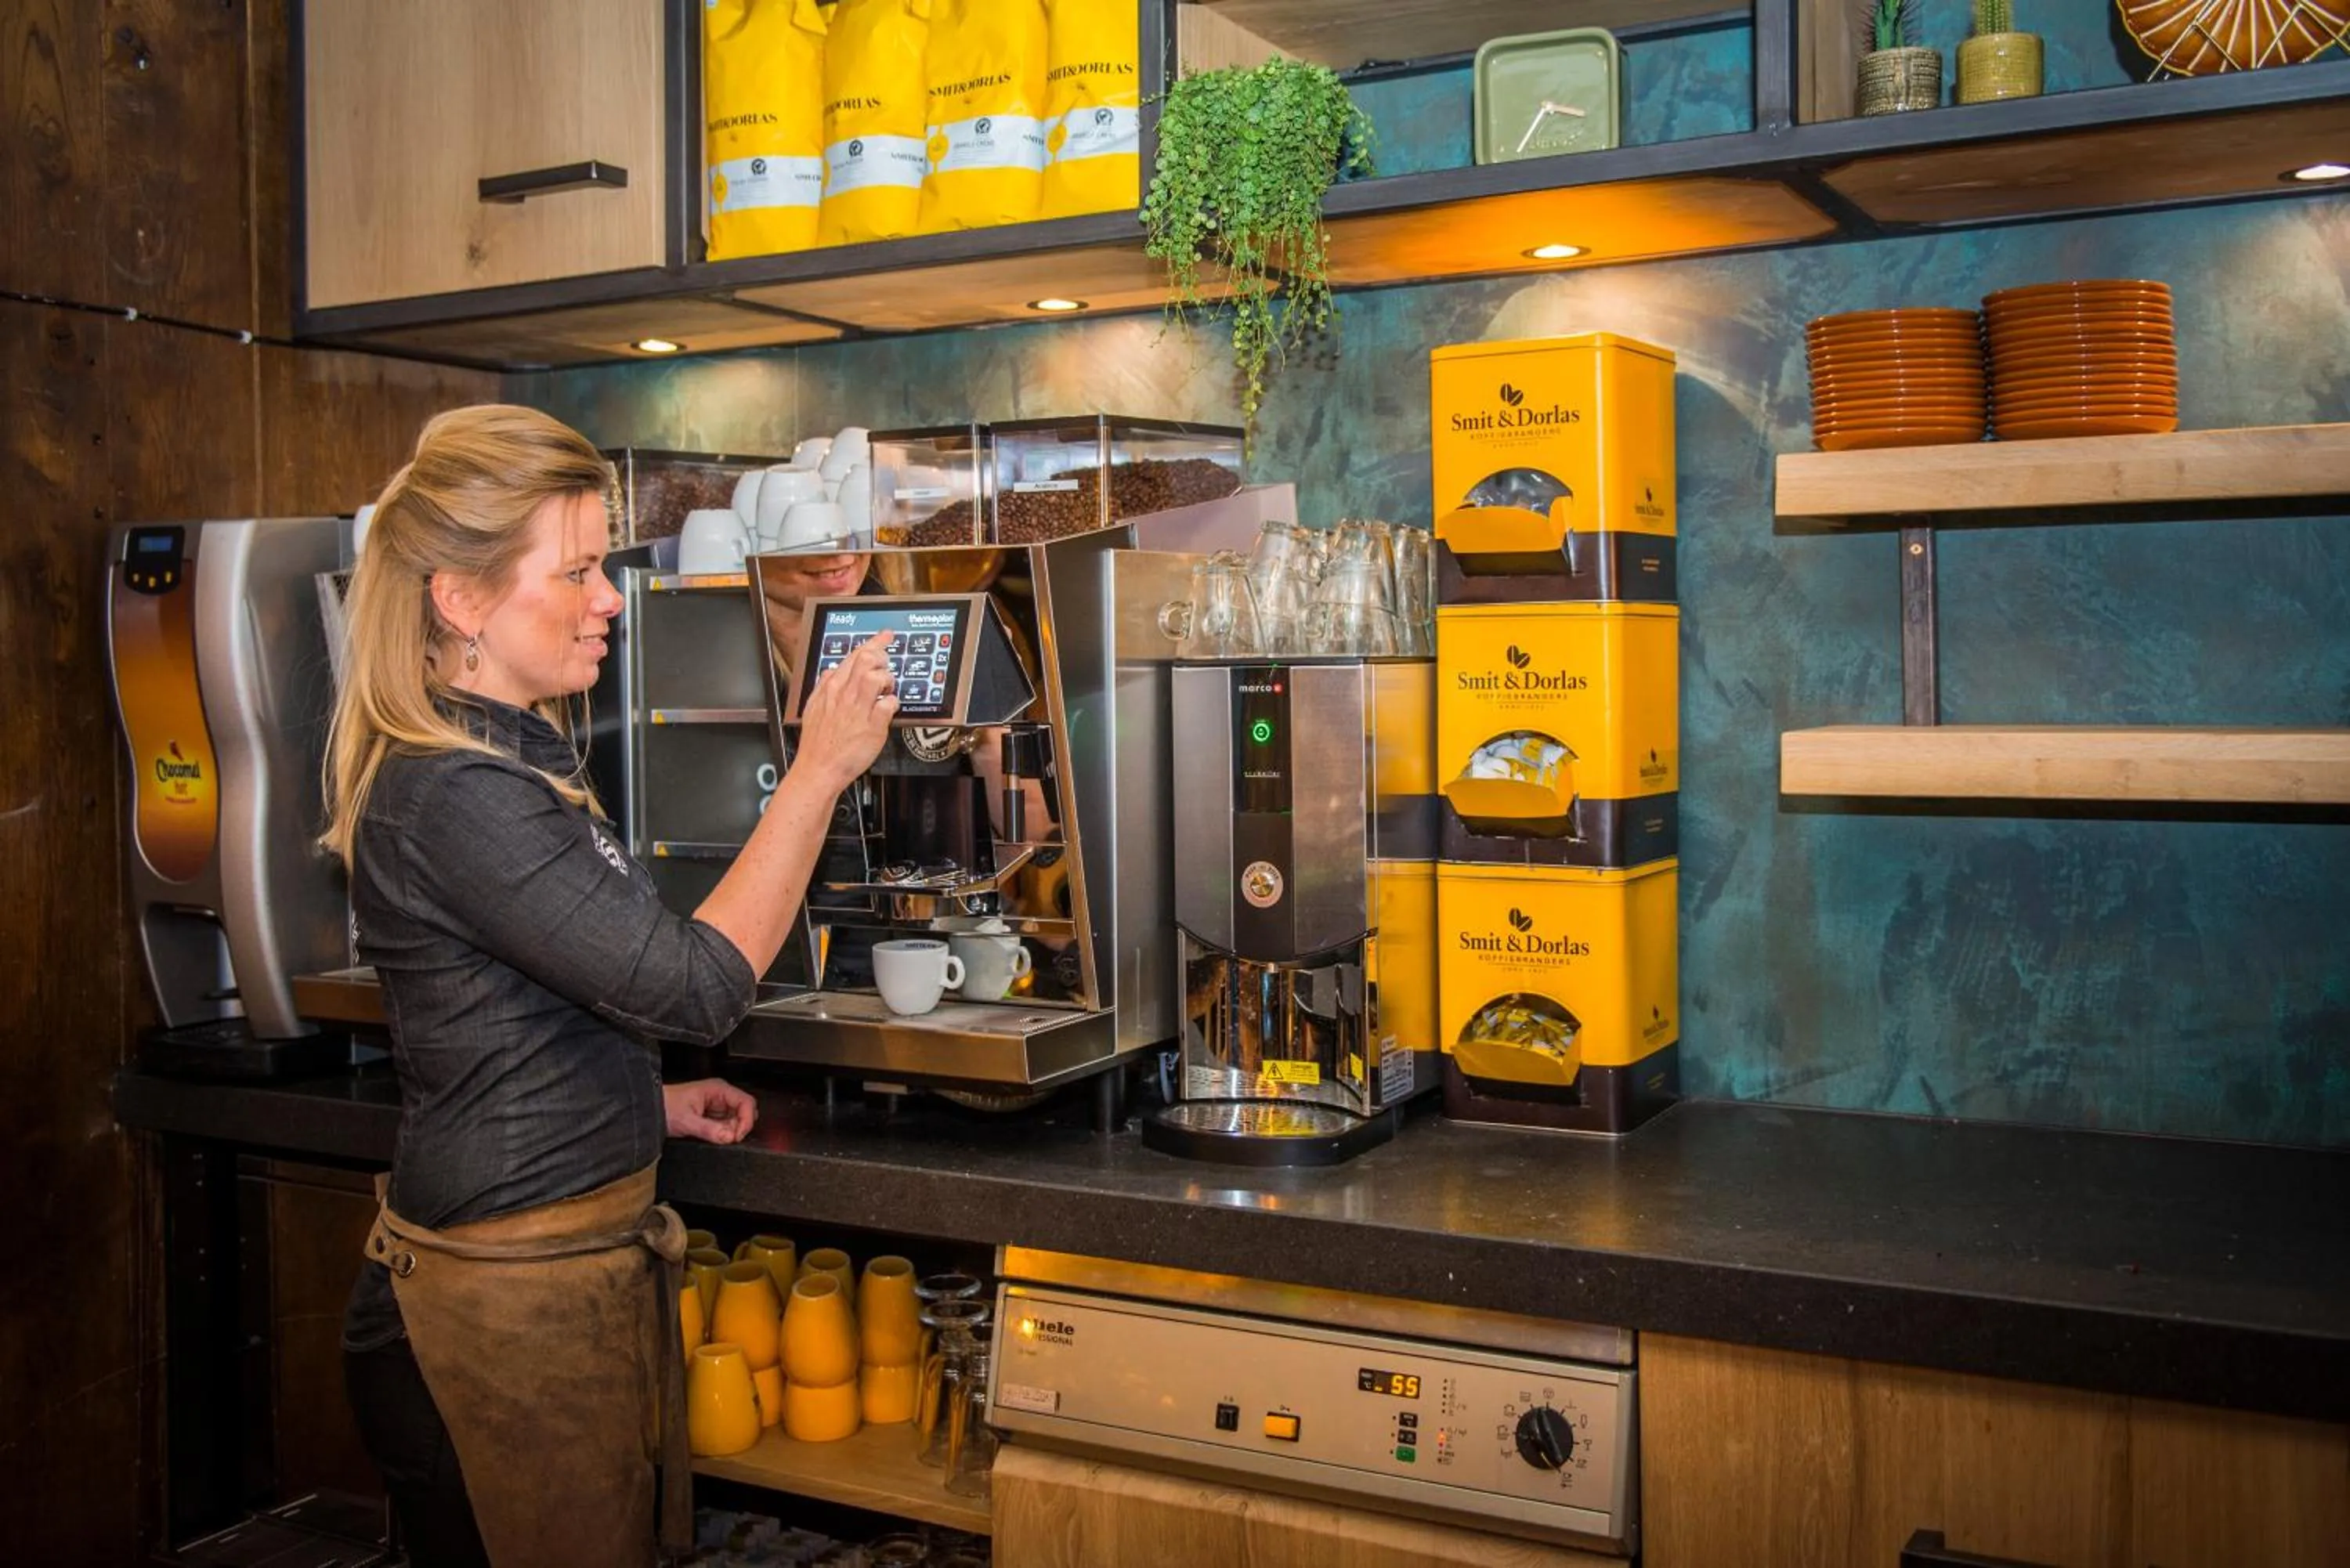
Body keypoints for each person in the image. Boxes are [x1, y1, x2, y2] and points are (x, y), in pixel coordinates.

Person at [322, 405, 898, 1568]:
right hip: (493, 1314)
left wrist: (642, 1101)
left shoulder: (506, 753)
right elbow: (695, 991)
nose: (611, 598)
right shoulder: (455, 793)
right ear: (462, 598)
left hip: (552, 1280)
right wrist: (819, 769)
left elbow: (523, 1007)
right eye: (579, 571)